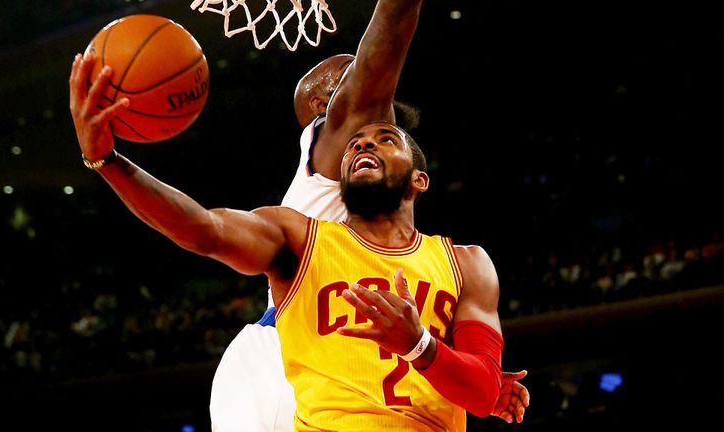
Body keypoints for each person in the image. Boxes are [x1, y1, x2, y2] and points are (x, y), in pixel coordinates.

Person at [70, 0, 528, 428]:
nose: (366, 134)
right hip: (277, 360)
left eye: (386, 138)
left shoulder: (461, 262)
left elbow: (480, 385)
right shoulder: (326, 165)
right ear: (321, 109)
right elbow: (204, 229)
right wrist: (107, 162)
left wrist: (458, 369)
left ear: (418, 179)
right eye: (347, 76)